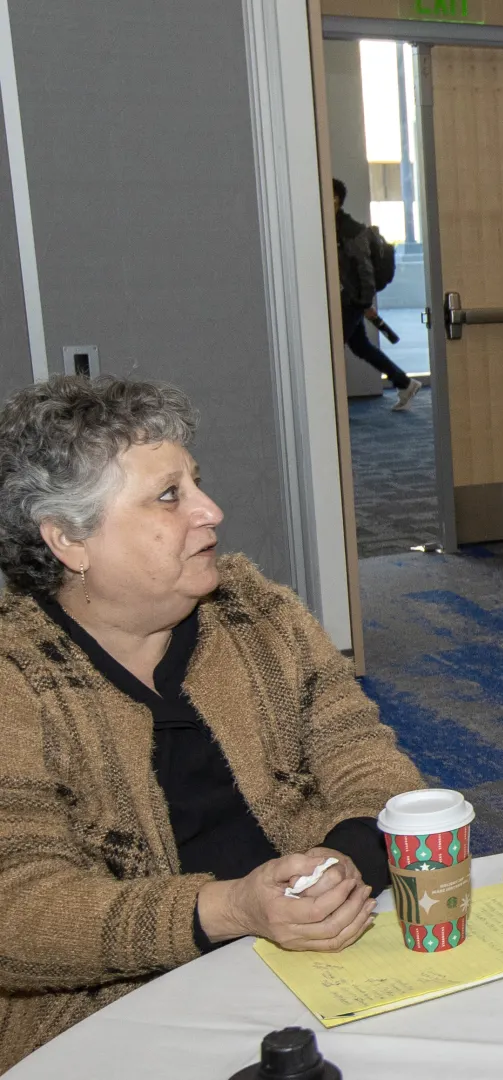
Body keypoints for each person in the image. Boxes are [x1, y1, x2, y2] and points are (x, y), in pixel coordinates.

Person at [0, 377, 425, 1070]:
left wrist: (346, 863)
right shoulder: (15, 680)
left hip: (325, 964)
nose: (210, 511)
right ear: (70, 541)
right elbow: (20, 913)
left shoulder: (256, 613)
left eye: (196, 483)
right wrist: (228, 910)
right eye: (169, 496)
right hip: (112, 1019)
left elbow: (367, 760)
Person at [333, 177, 420, 412]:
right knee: (360, 346)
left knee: (331, 348)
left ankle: (331, 407)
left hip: (352, 300)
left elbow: (365, 271)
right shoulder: (335, 227)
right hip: (349, 298)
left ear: (336, 200)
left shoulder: (350, 231)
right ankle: (404, 382)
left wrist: (364, 302)